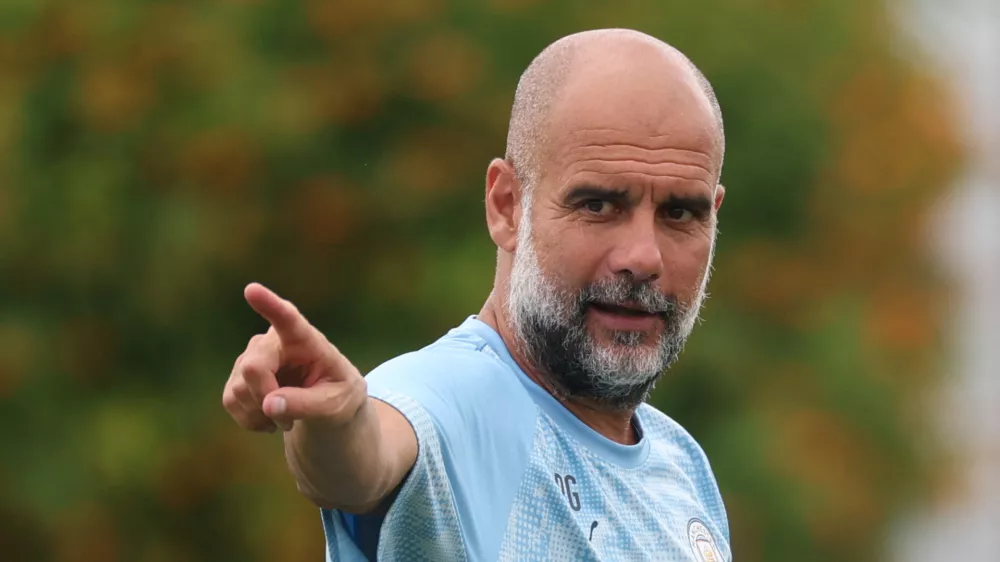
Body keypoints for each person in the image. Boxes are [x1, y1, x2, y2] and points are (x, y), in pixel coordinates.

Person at [223, 28, 731, 562]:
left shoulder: (682, 467)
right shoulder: (458, 399)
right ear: (507, 206)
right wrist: (333, 423)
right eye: (598, 206)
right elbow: (364, 462)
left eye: (679, 213)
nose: (643, 257)